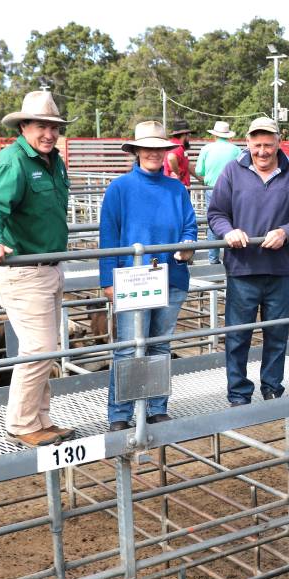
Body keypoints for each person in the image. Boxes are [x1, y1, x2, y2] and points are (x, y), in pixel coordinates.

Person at [0, 91, 76, 448]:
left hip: (48, 267)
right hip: (23, 270)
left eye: (53, 127)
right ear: (24, 126)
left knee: (48, 347)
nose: (48, 134)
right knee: (38, 348)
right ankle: (20, 423)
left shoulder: (53, 161)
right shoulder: (12, 161)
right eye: (41, 126)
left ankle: (41, 418)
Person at [207, 117, 289, 406]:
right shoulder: (232, 171)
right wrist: (228, 231)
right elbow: (216, 212)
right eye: (257, 145)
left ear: (278, 143)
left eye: (268, 144)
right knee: (238, 335)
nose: (263, 151)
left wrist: (285, 232)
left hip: (280, 268)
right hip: (243, 267)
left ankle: (272, 388)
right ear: (247, 143)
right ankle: (239, 393)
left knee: (277, 333)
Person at [99, 121, 198, 431]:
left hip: (170, 275)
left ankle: (156, 407)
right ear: (137, 151)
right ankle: (120, 413)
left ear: (165, 152)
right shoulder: (119, 188)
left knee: (159, 345)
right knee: (129, 346)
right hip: (133, 279)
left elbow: (189, 226)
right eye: (148, 148)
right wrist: (107, 280)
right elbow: (109, 236)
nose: (154, 153)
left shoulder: (176, 189)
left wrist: (187, 245)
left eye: (159, 148)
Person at [195, 121, 242, 265]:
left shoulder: (207, 149)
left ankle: (213, 259)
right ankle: (232, 257)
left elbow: (199, 171)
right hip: (232, 188)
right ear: (228, 135)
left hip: (212, 188)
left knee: (213, 222)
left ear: (214, 135)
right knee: (233, 222)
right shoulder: (236, 150)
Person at [163, 118, 194, 186]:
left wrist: (200, 178)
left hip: (175, 185)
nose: (189, 138)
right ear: (184, 135)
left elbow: (187, 166)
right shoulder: (178, 147)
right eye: (189, 135)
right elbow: (171, 158)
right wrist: (177, 174)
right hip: (179, 186)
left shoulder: (173, 145)